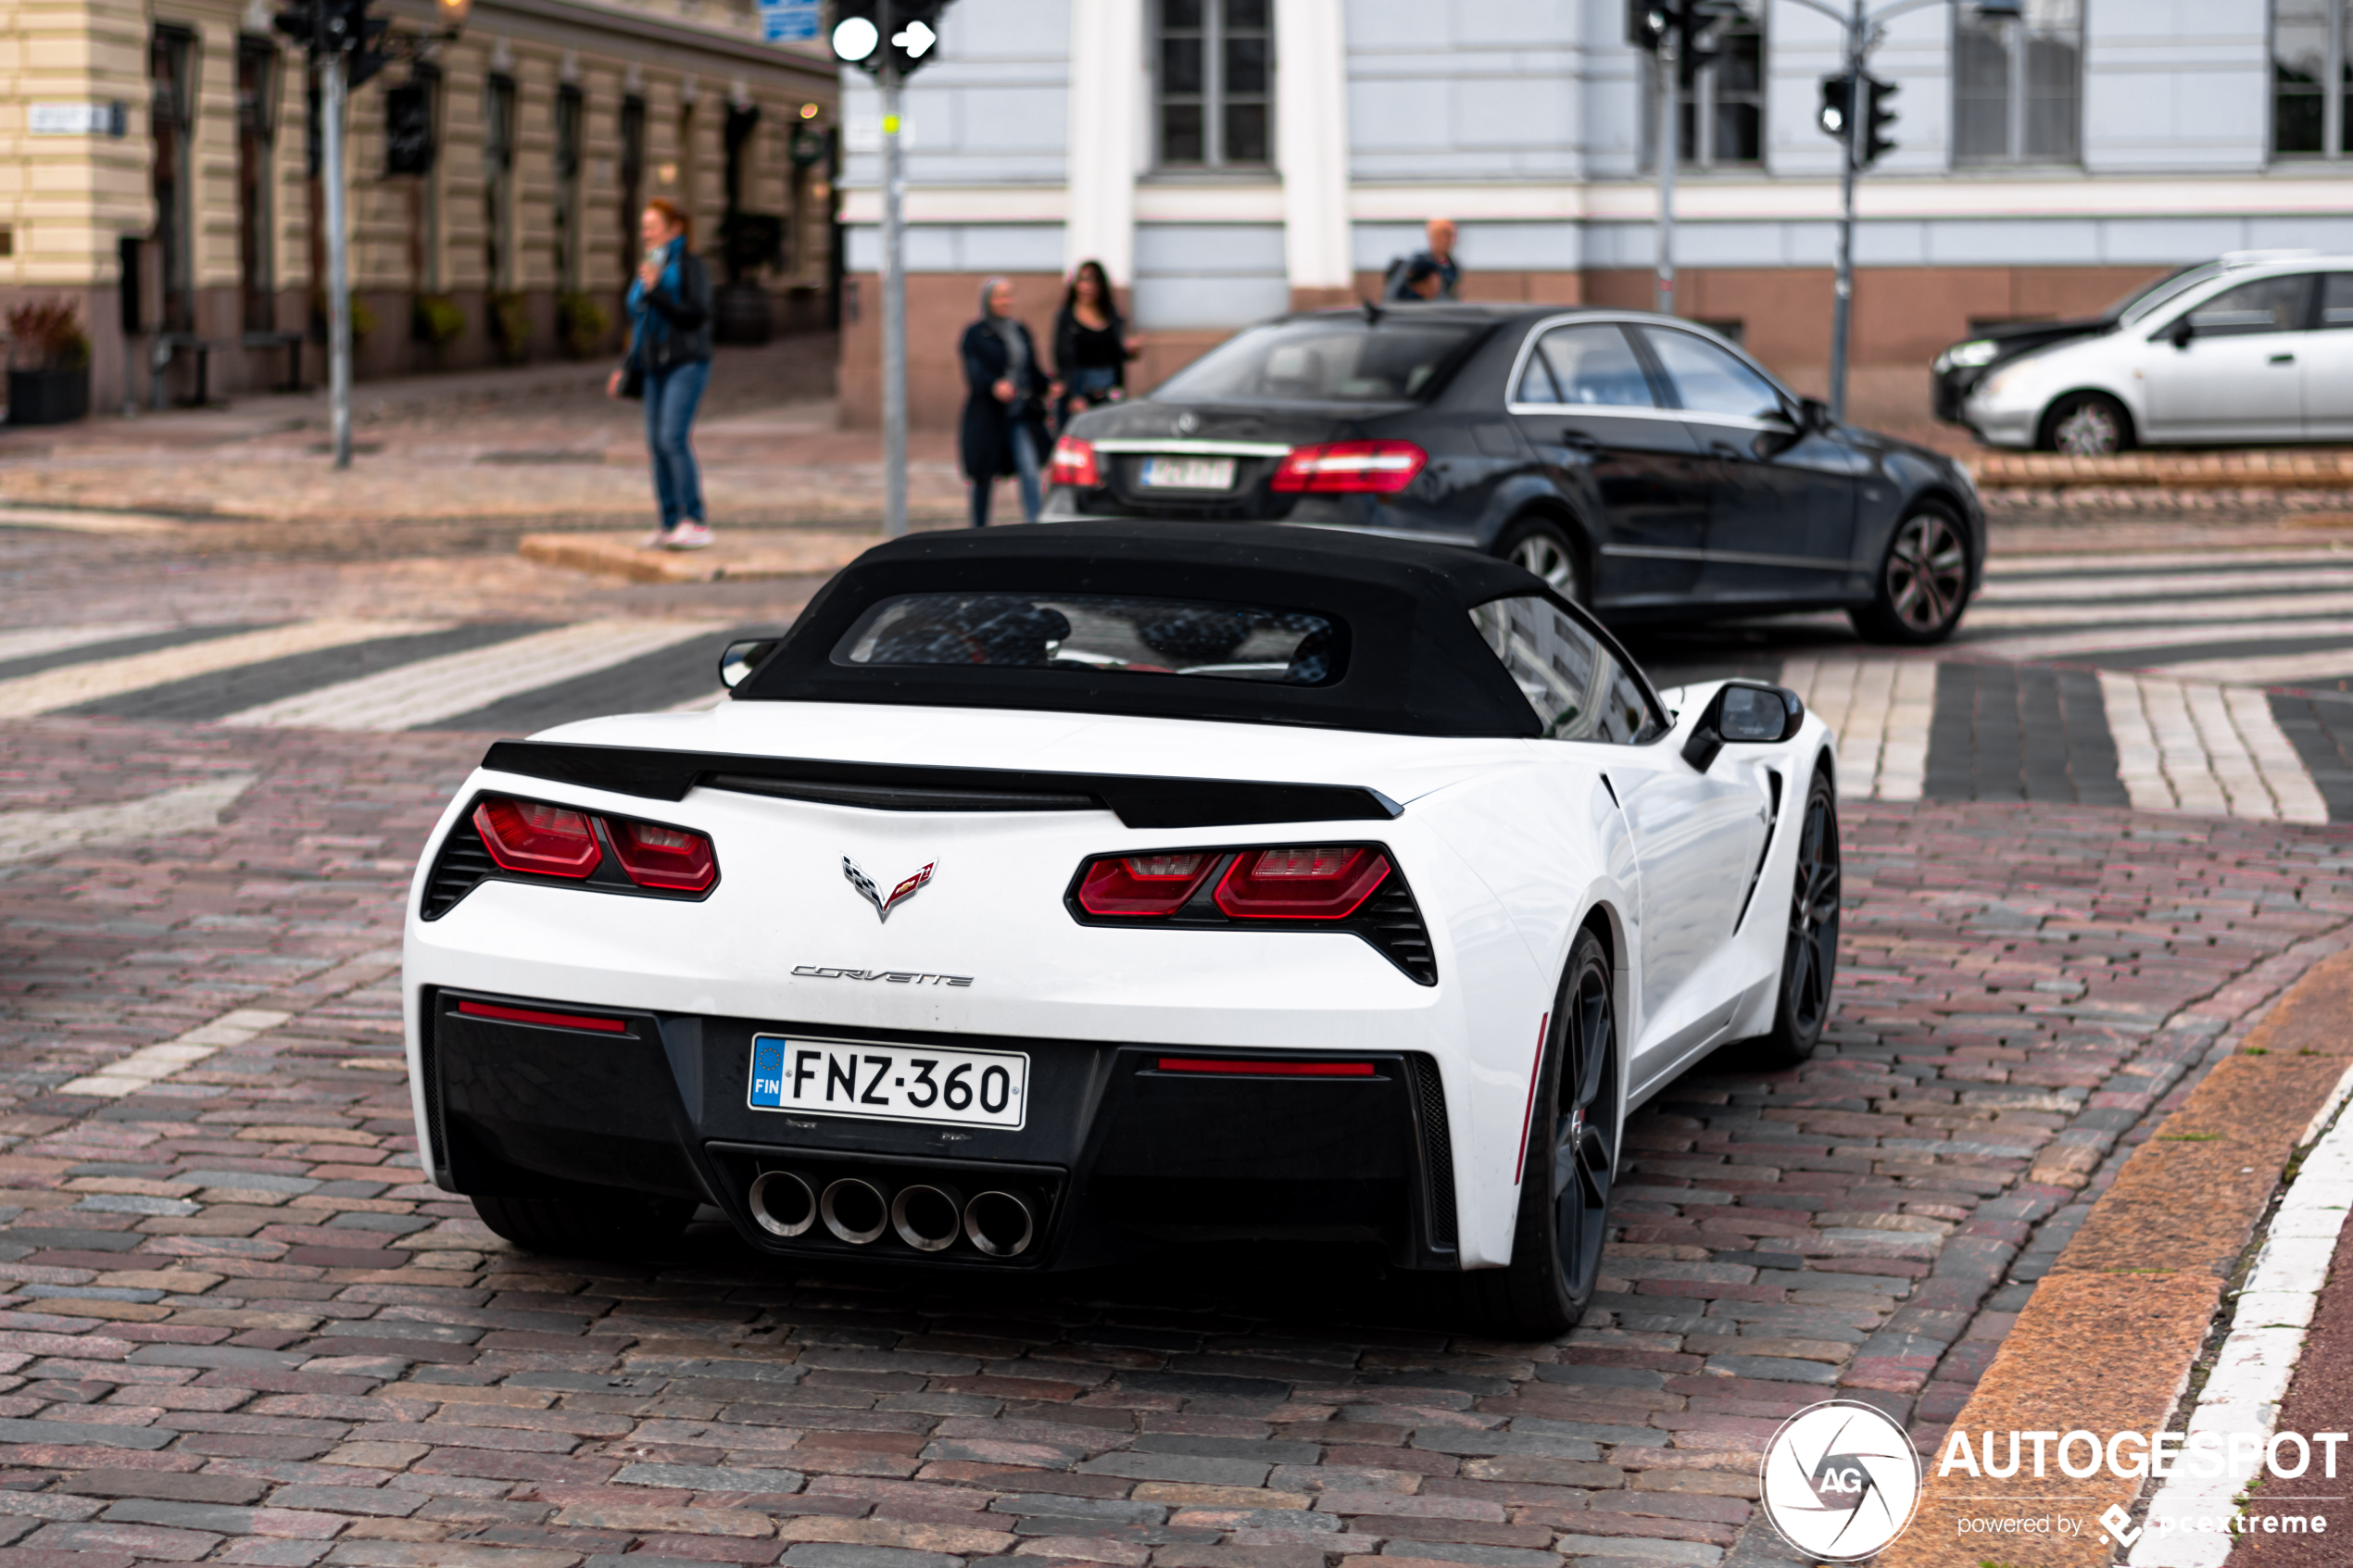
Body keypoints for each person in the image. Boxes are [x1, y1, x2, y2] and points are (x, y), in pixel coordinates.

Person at [609, 197, 714, 550]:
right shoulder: (649, 266)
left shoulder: (688, 265)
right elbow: (639, 322)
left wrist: (655, 291)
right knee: (656, 444)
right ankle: (669, 522)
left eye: (652, 226)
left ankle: (694, 520)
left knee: (673, 438)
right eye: (644, 227)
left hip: (686, 362)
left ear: (674, 229)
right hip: (653, 365)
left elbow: (696, 314)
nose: (646, 233)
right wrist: (626, 365)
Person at [959, 278, 1052, 527]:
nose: (1004, 301)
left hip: (1019, 413)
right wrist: (993, 384)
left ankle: (1035, 523)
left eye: (1008, 295)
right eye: (998, 296)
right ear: (988, 300)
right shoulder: (976, 333)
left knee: (1029, 468)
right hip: (988, 416)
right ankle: (978, 527)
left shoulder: (1019, 330)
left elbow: (1031, 369)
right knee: (984, 475)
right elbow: (974, 372)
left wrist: (1049, 384)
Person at [1051, 259, 1144, 433]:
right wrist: (1073, 395)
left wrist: (1130, 350)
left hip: (1109, 388)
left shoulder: (1111, 315)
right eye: (1083, 280)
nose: (1087, 287)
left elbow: (1114, 353)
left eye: (1093, 281)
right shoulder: (1066, 318)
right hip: (1080, 386)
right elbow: (1062, 359)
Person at [1383, 217, 1461, 303]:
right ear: (1432, 237)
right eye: (1442, 234)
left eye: (1450, 235)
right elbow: (1393, 295)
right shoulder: (1418, 264)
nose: (1446, 240)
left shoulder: (1453, 268)